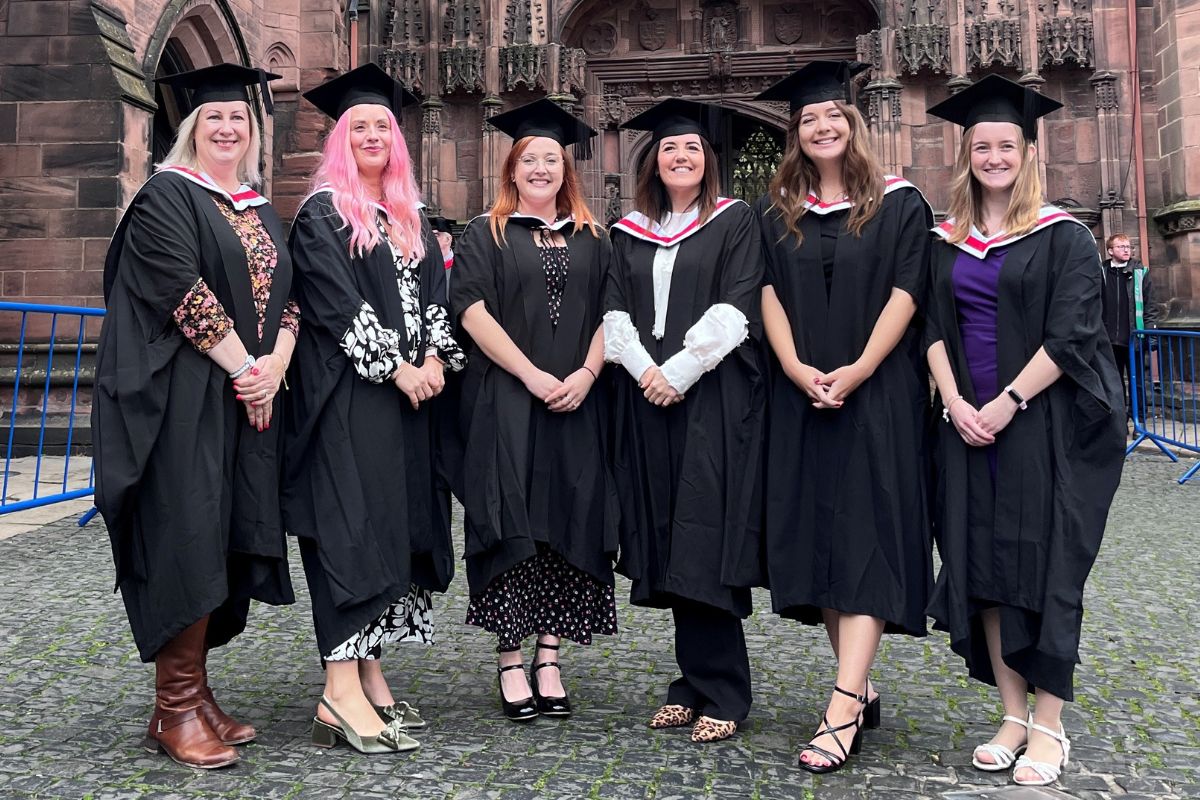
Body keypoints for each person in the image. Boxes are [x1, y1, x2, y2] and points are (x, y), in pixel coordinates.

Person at [92, 64, 296, 769]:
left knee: (221, 536)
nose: (228, 127)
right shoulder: (167, 198)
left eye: (238, 119)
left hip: (241, 401)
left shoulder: (256, 206)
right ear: (191, 129)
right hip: (182, 402)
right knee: (186, 534)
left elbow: (289, 298)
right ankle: (171, 707)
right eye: (214, 118)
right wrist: (249, 370)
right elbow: (187, 296)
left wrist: (277, 365)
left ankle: (198, 693)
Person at [924, 74, 1125, 787]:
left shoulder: (1064, 236)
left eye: (1006, 144)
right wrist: (954, 402)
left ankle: (1050, 722)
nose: (994, 155)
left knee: (1044, 569)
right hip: (966, 425)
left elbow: (1074, 334)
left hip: (1043, 428)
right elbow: (931, 327)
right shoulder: (946, 242)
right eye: (982, 145)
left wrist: (1006, 402)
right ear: (967, 154)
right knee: (979, 567)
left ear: (1027, 151)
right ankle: (1011, 712)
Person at [753, 61, 934, 772]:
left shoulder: (900, 203)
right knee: (822, 541)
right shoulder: (779, 211)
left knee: (866, 538)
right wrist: (798, 369)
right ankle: (858, 686)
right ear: (796, 134)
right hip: (802, 395)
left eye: (832, 115)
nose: (822, 126)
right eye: (808, 119)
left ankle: (841, 704)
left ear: (853, 123)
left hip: (876, 394)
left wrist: (857, 370)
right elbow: (766, 291)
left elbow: (907, 290)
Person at [284, 63, 464, 754]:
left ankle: (369, 672)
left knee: (393, 532)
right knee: (348, 533)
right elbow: (335, 305)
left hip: (407, 405)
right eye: (357, 126)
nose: (370, 135)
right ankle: (338, 690)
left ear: (397, 141)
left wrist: (434, 363)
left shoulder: (406, 217)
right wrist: (397, 368)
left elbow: (434, 302)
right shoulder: (325, 213)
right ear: (339, 140)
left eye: (381, 127)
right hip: (348, 402)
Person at [451, 99, 618, 723]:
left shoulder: (594, 239)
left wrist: (585, 372)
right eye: (530, 159)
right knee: (512, 518)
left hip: (576, 403)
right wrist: (530, 372)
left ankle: (550, 656)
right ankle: (510, 658)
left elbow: (612, 313)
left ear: (565, 170)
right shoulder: (484, 234)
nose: (541, 167)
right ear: (512, 170)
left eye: (551, 158)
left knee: (568, 518)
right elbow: (470, 310)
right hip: (508, 401)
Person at [604, 99, 765, 743]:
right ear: (654, 159)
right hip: (649, 399)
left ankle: (725, 690)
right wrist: (648, 369)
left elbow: (737, 304)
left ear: (709, 160)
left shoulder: (734, 222)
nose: (681, 157)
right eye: (671, 148)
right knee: (669, 536)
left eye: (693, 148)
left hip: (710, 399)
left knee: (706, 536)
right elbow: (613, 308)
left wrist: (679, 372)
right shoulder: (630, 231)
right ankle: (691, 682)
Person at [1100, 233, 1160, 409]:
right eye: (1121, 247)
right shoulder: (1100, 272)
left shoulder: (1140, 272)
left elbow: (1150, 307)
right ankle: (1119, 422)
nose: (1126, 250)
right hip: (1108, 340)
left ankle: (1139, 420)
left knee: (1138, 382)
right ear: (1110, 250)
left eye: (1128, 247)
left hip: (1134, 338)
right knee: (1113, 383)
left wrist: (1151, 336)